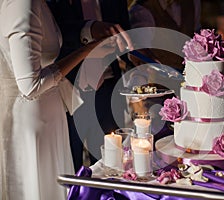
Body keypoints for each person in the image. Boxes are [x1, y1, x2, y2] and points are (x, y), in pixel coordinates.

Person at [0, 0, 131, 199]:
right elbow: (30, 86)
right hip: (35, 117)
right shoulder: (23, 4)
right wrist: (87, 51)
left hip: (51, 112)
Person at [47, 0, 133, 171]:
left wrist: (134, 56)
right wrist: (90, 29)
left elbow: (125, 34)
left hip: (107, 90)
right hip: (68, 88)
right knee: (70, 164)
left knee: (110, 165)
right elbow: (54, 31)